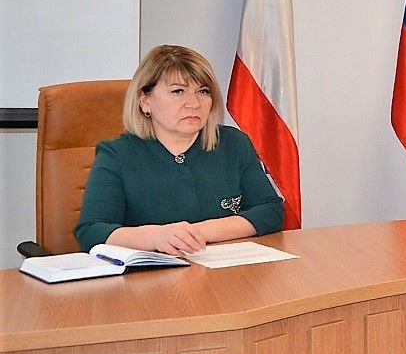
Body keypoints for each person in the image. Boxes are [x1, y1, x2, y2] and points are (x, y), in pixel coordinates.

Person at [75, 45, 285, 254]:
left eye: (203, 91)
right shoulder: (116, 155)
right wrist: (156, 237)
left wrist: (197, 234)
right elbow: (91, 231)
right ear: (145, 102)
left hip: (226, 269)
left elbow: (270, 211)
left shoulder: (233, 143)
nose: (194, 103)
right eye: (178, 91)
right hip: (154, 273)